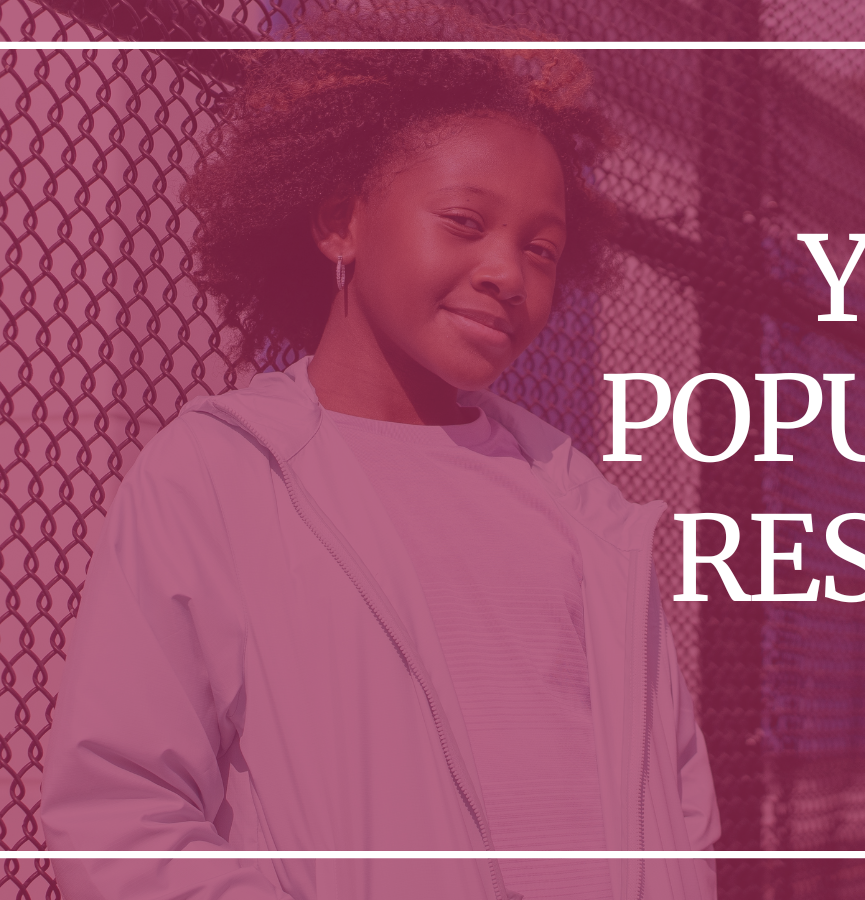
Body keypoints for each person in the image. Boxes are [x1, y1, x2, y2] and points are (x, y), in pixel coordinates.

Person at [39, 7, 719, 899]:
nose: (507, 271)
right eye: (464, 221)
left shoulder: (581, 504)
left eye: (540, 248)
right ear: (340, 223)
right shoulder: (221, 476)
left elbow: (674, 797)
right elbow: (121, 815)